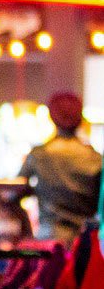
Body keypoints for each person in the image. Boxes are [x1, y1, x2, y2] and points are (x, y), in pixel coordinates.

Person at [19, 92, 102, 243]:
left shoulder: (39, 155)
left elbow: (13, 194)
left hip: (48, 241)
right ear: (80, 118)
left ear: (51, 117)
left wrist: (26, 231)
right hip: (85, 243)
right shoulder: (95, 158)